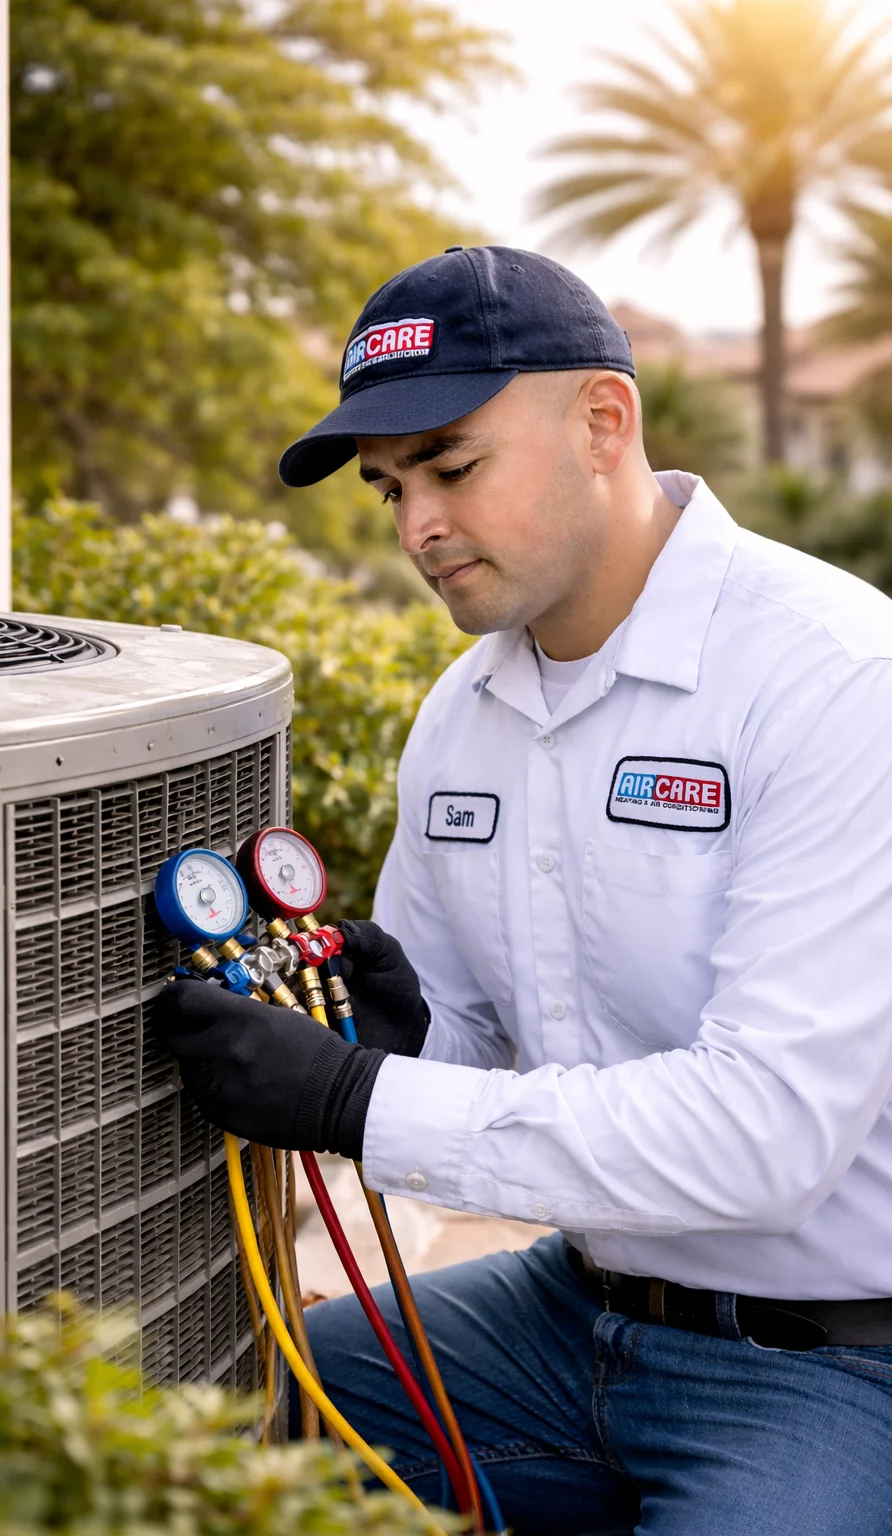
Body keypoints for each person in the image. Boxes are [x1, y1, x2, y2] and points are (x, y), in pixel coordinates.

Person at [157, 246, 892, 1535]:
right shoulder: (463, 714)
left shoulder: (835, 681)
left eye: (451, 466)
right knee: (225, 1408)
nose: (416, 528)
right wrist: (401, 1035)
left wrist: (354, 1096)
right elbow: (469, 1044)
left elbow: (766, 1139)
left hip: (836, 1361)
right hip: (571, 1308)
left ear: (603, 421)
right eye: (390, 490)